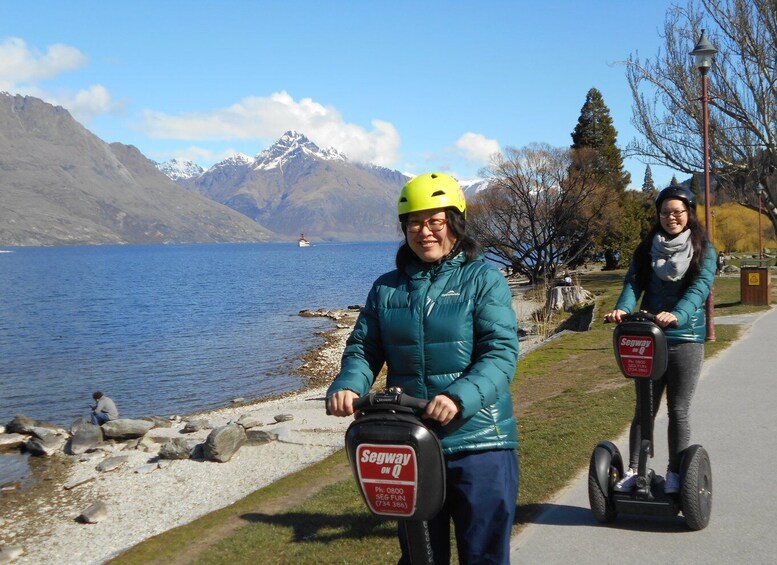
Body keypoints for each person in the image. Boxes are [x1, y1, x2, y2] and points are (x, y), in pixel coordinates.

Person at [326, 172, 520, 564]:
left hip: (479, 442)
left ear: (455, 223)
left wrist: (458, 396)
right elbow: (364, 347)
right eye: (414, 222)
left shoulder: (483, 280)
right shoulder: (387, 288)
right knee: (420, 557)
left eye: (435, 220)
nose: (425, 231)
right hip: (412, 443)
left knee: (483, 556)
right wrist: (348, 383)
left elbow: (501, 354)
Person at [605, 185, 716, 494]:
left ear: (689, 214)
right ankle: (634, 470)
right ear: (659, 215)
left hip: (685, 338)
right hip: (649, 338)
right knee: (644, 408)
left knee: (678, 409)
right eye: (666, 212)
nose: (671, 218)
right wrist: (622, 309)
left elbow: (700, 287)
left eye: (678, 212)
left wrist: (678, 314)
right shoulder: (646, 248)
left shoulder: (704, 249)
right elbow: (633, 282)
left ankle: (675, 474)